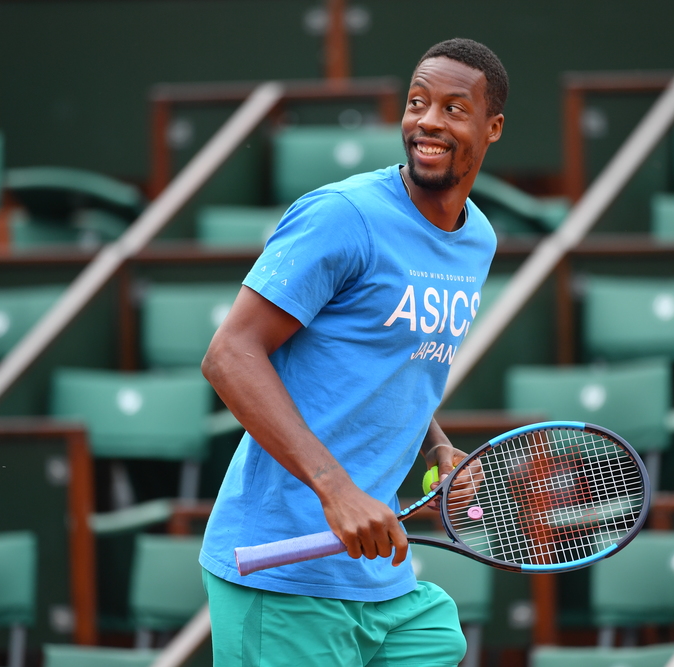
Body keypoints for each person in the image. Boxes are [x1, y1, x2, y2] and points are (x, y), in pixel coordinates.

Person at [199, 37, 507, 666]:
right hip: (285, 571)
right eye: (417, 102)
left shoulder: (477, 240)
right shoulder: (342, 216)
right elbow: (229, 355)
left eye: (453, 108)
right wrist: (334, 489)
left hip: (383, 580)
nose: (427, 120)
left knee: (438, 640)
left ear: (491, 127)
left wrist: (437, 448)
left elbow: (393, 364)